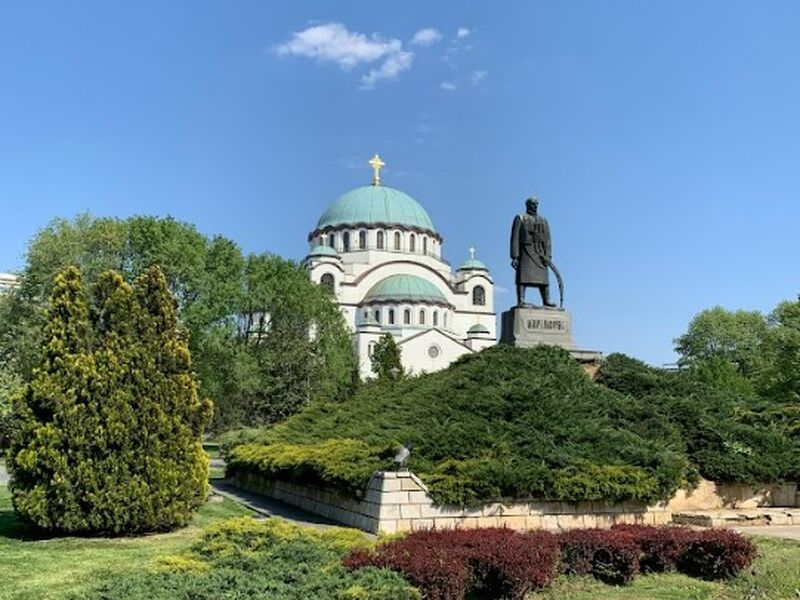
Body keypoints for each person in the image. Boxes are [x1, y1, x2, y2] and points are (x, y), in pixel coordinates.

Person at [510, 197, 556, 307]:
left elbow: (548, 239)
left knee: (544, 278)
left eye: (536, 204)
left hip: (540, 252)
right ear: (527, 205)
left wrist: (548, 255)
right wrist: (515, 256)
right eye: (532, 204)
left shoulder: (543, 220)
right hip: (526, 251)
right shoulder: (520, 218)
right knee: (523, 276)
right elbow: (514, 238)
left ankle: (546, 300)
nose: (535, 206)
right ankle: (521, 300)